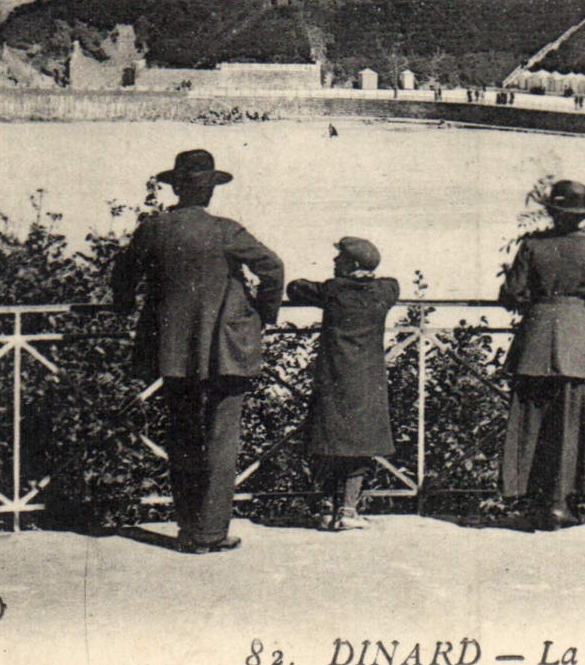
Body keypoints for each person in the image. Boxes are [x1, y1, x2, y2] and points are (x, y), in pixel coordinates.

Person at [112, 149, 284, 554]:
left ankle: (189, 531)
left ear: (176, 188)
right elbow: (273, 268)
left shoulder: (154, 228)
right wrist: (264, 313)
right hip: (227, 350)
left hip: (172, 351)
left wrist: (123, 305)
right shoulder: (226, 230)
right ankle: (211, 530)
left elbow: (124, 275)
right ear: (208, 192)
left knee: (183, 437)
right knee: (223, 439)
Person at [498, 179, 585, 529]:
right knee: (571, 423)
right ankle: (560, 502)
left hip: (535, 338)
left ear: (552, 211)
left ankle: (534, 500)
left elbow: (513, 293)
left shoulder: (532, 246)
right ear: (581, 216)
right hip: (577, 338)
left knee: (533, 421)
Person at [287, 237, 400, 531]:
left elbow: (295, 287)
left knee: (328, 439)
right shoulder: (386, 290)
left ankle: (326, 508)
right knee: (361, 443)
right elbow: (389, 285)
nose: (335, 263)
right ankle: (348, 510)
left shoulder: (333, 291)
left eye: (340, 259)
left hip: (333, 378)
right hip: (367, 380)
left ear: (352, 264)